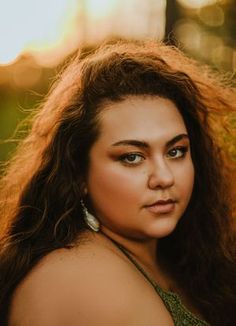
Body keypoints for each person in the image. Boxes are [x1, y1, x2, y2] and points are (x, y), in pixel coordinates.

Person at [0, 39, 235, 326]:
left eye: (176, 151)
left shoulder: (174, 256)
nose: (164, 177)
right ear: (78, 173)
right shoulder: (80, 278)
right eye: (133, 157)